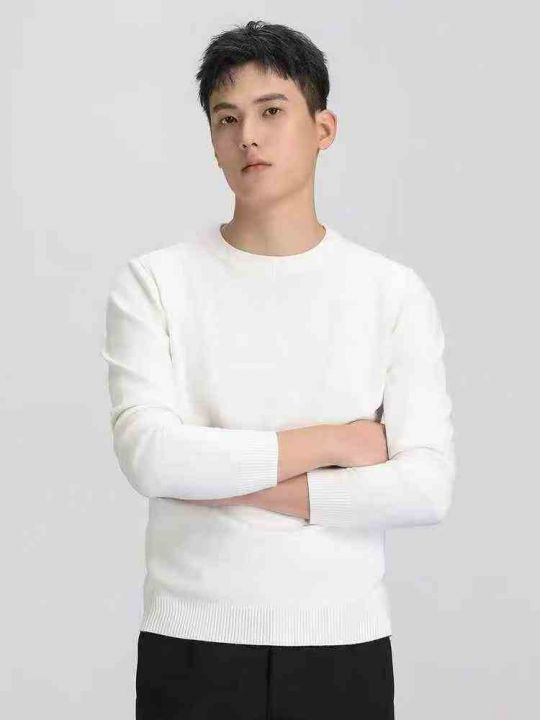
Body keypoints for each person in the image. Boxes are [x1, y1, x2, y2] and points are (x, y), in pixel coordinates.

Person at [101, 19, 456, 720]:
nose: (248, 138)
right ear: (212, 141)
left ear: (323, 129)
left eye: (271, 111)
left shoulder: (391, 292)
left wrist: (221, 481)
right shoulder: (155, 283)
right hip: (191, 645)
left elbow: (425, 488)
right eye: (226, 119)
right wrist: (335, 442)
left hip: (344, 645)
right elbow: (151, 458)